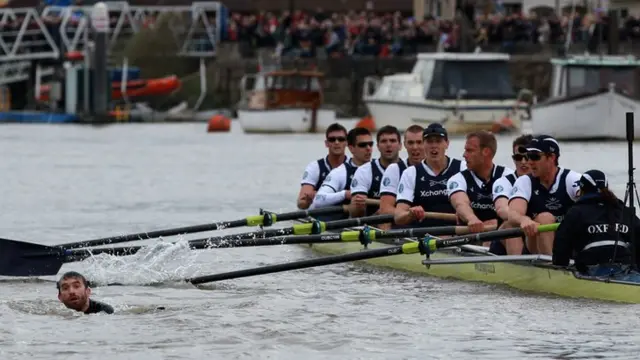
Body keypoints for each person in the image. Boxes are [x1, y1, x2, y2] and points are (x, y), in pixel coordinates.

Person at [553, 170, 640, 277]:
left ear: (581, 189)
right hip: (625, 267)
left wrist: (559, 270)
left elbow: (561, 244)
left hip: (592, 268)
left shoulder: (576, 211)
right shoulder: (623, 210)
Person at [508, 135, 582, 255]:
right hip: (535, 244)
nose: (529, 162)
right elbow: (513, 214)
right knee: (545, 218)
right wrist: (524, 220)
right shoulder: (525, 181)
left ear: (551, 157)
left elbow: (591, 201)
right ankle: (551, 266)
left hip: (568, 241)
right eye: (528, 156)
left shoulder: (572, 179)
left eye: (535, 157)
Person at [447, 131, 514, 245]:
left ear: (486, 152)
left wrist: (496, 224)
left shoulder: (508, 176)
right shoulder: (458, 179)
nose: (464, 155)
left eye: (470, 150)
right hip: (469, 239)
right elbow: (460, 203)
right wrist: (472, 219)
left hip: (500, 236)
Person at [394, 124, 465, 227]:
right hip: (424, 237)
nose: (434, 146)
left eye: (438, 141)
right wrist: (410, 214)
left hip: (457, 235)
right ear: (423, 144)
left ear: (447, 144)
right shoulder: (411, 173)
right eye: (429, 141)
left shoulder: (462, 168)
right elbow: (398, 217)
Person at [490, 134, 533, 255]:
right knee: (511, 225)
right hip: (505, 240)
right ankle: (519, 269)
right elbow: (502, 209)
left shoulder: (545, 181)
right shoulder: (504, 182)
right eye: (518, 157)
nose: (523, 162)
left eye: (527, 157)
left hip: (534, 234)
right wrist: (522, 220)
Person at [312, 127, 373, 209]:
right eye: (362, 145)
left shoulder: (381, 168)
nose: (368, 148)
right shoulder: (340, 172)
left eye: (370, 144)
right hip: (349, 218)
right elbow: (318, 200)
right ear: (351, 148)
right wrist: (345, 194)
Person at [349, 125, 403, 217]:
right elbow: (355, 213)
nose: (388, 145)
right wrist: (358, 206)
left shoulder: (410, 170)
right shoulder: (364, 171)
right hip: (373, 224)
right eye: (384, 141)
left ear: (400, 146)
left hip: (405, 222)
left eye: (392, 141)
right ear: (378, 146)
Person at [378, 125, 425, 228]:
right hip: (404, 228)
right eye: (411, 143)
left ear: (426, 143)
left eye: (419, 142)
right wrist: (410, 214)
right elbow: (385, 209)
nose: (415, 147)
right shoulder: (394, 169)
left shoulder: (438, 169)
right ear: (404, 145)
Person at [297, 123, 349, 209]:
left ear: (346, 143)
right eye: (332, 140)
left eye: (341, 139)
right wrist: (308, 200)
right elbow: (301, 203)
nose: (336, 142)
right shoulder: (315, 167)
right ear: (326, 143)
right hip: (320, 215)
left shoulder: (354, 167)